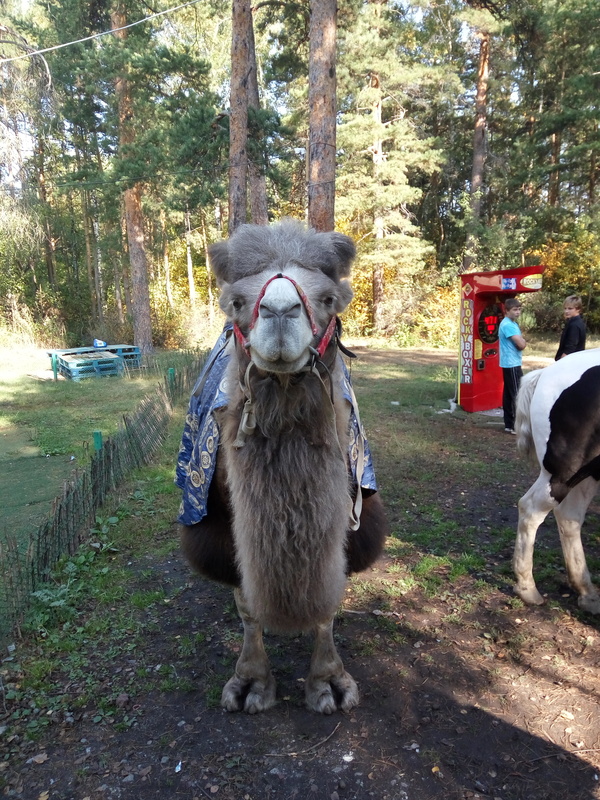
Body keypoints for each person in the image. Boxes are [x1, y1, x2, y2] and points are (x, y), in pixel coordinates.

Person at [499, 298, 527, 434]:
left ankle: (509, 424)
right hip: (511, 364)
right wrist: (523, 341)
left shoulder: (511, 323)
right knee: (517, 393)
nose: (518, 312)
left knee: (509, 394)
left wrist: (522, 341)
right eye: (515, 310)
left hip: (510, 363)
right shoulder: (508, 325)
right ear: (507, 311)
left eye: (519, 309)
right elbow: (521, 344)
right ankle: (517, 426)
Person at [555, 295, 586, 360]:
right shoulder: (576, 322)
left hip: (571, 361)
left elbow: (570, 348)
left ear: (578, 309)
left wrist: (560, 363)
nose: (566, 311)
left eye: (570, 308)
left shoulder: (574, 325)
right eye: (565, 308)